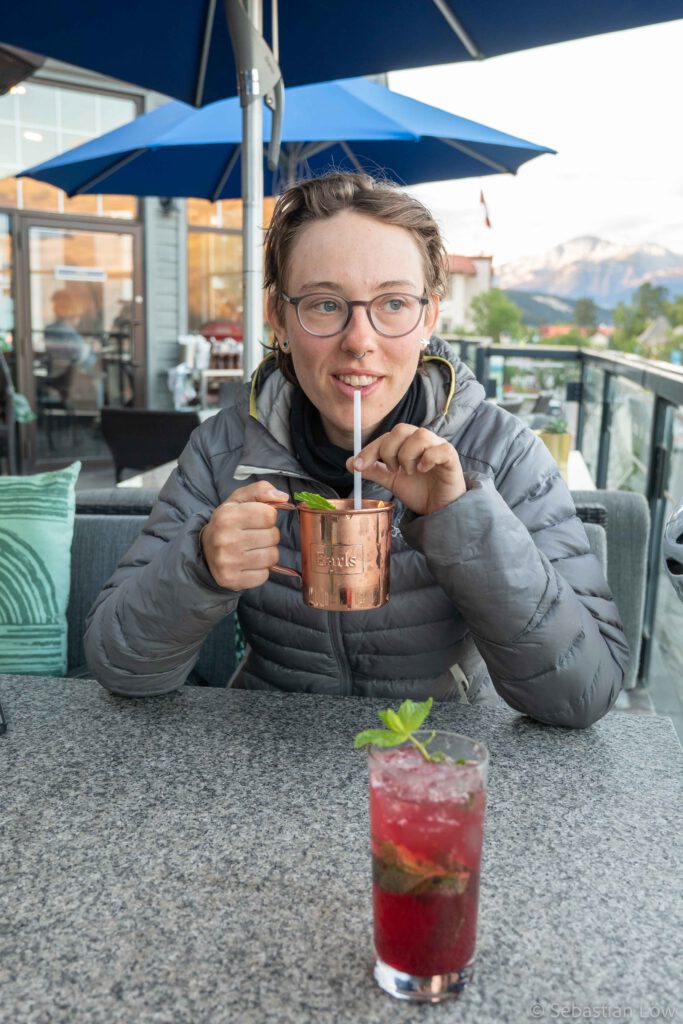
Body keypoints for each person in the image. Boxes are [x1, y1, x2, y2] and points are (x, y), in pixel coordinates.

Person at [85, 171, 629, 728]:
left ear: (428, 317)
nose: (360, 341)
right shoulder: (223, 450)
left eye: (393, 303)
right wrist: (199, 566)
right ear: (279, 317)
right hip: (269, 748)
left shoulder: (501, 452)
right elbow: (120, 666)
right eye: (325, 304)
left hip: (439, 749)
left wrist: (461, 519)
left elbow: (581, 694)